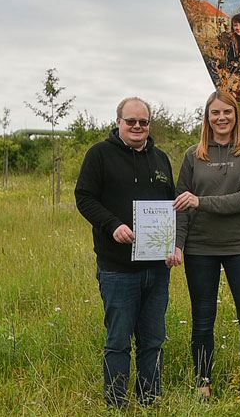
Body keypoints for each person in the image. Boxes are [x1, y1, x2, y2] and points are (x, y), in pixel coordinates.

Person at [75, 97, 180, 408]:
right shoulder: (99, 154)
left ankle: (149, 399)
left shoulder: (160, 158)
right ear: (118, 121)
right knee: (118, 341)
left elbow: (170, 205)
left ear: (149, 124)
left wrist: (173, 244)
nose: (137, 126)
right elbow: (84, 197)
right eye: (131, 121)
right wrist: (112, 225)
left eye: (143, 122)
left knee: (153, 340)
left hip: (157, 269)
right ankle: (116, 403)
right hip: (117, 268)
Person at [170, 90, 240, 398]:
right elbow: (182, 205)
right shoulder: (193, 155)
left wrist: (202, 201)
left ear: (236, 115)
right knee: (202, 318)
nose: (221, 118)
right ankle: (203, 382)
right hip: (200, 248)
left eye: (227, 112)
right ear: (207, 118)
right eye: (215, 113)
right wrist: (179, 245)